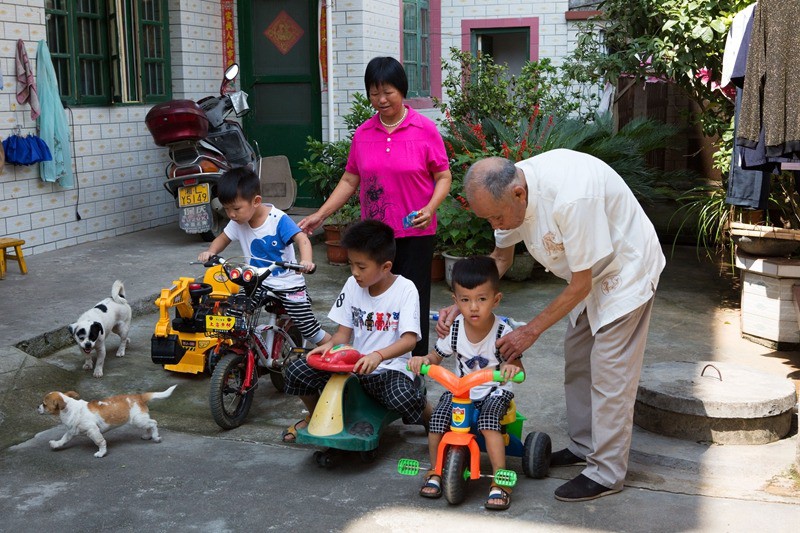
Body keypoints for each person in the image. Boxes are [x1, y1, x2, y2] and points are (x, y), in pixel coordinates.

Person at [436, 150, 666, 502]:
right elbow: (500, 258)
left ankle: (606, 471)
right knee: (577, 360)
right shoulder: (506, 196)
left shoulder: (572, 198)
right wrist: (461, 302)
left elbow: (580, 284)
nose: (495, 225)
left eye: (497, 217)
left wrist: (531, 330)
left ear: (518, 194)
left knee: (609, 370)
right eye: (487, 219)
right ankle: (584, 446)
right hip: (587, 273)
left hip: (625, 268)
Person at [298, 56, 452, 358]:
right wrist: (320, 215)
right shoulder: (364, 134)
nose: (381, 100)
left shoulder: (424, 130)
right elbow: (349, 179)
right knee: (373, 296)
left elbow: (444, 176)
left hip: (415, 232)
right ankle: (376, 356)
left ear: (402, 90)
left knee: (413, 298)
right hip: (377, 236)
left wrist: (431, 208)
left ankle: (414, 364)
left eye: (388, 92)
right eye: (374, 92)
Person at [281, 220, 431, 442]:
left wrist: (377, 356)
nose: (354, 272)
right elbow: (343, 335)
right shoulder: (352, 284)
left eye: (361, 267)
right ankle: (313, 416)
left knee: (404, 397)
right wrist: (327, 348)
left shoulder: (405, 289)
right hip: (352, 367)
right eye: (351, 264)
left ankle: (432, 419)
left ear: (386, 267)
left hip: (388, 370)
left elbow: (409, 341)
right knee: (296, 370)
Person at [409, 256, 523, 511]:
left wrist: (510, 367)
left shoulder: (504, 332)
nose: (473, 307)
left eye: (481, 299)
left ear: (496, 299)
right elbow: (436, 356)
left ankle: (500, 480)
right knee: (438, 418)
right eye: (465, 300)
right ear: (456, 301)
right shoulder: (456, 329)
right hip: (461, 391)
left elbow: (517, 366)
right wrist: (423, 360)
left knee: (488, 422)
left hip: (495, 391)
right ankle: (435, 470)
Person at [198, 166, 331, 348]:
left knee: (307, 326)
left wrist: (306, 261)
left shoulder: (278, 219)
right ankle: (242, 354)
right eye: (227, 209)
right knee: (235, 312)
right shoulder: (238, 221)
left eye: (236, 208)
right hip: (256, 281)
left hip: (288, 283)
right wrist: (211, 252)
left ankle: (335, 348)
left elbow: (302, 239)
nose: (231, 214)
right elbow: (222, 238)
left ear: (256, 201)